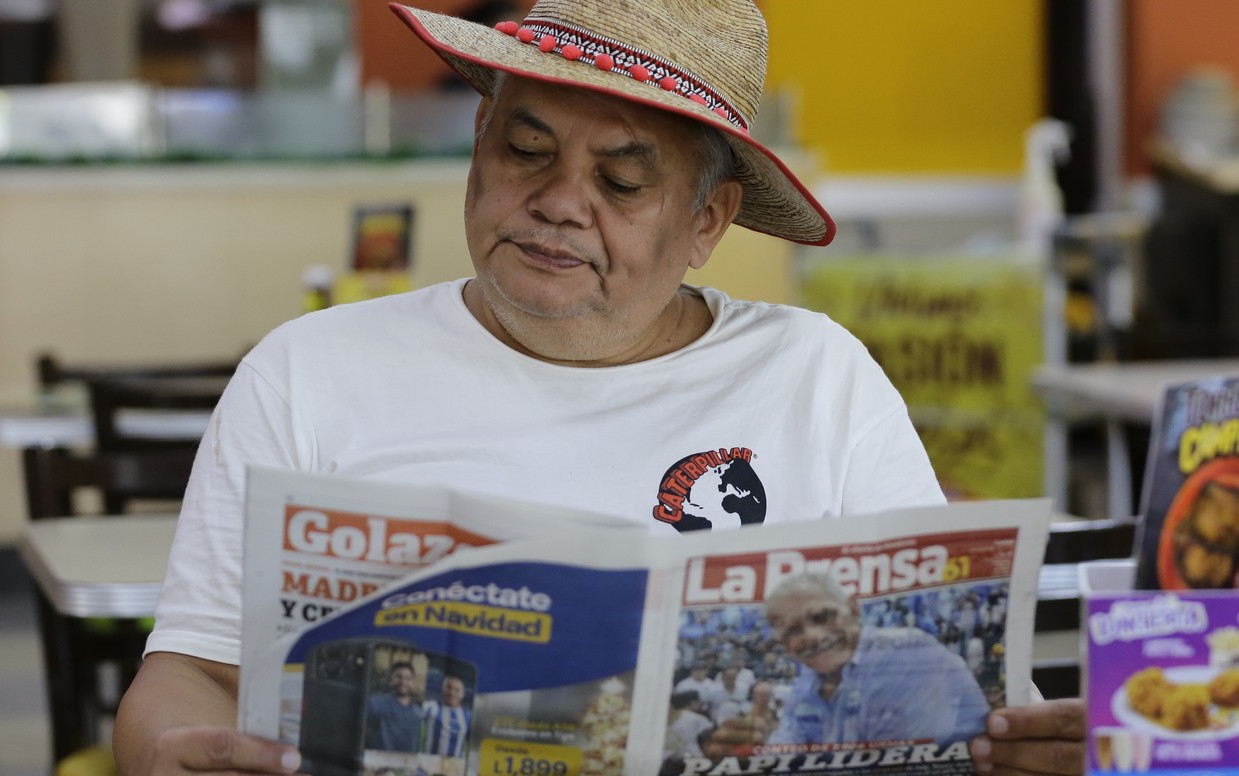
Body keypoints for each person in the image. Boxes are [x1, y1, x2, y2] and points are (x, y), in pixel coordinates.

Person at [111, 0, 1084, 773]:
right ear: (479, 140)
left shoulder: (817, 377)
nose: (559, 200)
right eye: (526, 150)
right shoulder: (307, 373)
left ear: (709, 221)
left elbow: (960, 703)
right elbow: (187, 674)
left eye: (622, 180)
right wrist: (163, 747)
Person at [707, 574, 988, 752]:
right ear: (783, 645)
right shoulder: (811, 679)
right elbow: (789, 749)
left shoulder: (908, 652)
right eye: (793, 631)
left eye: (823, 617)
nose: (813, 637)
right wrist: (756, 753)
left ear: (854, 610)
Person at [366, 663, 423, 753]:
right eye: (399, 677)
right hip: (380, 762)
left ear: (412, 681)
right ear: (392, 679)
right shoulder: (378, 703)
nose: (403, 682)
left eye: (407, 678)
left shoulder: (418, 713)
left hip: (407, 763)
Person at [421, 674, 471, 758]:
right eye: (448, 687)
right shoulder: (432, 706)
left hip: (455, 767)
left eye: (457, 690)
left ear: (462, 694)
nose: (452, 692)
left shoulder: (468, 716)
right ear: (442, 689)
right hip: (429, 765)